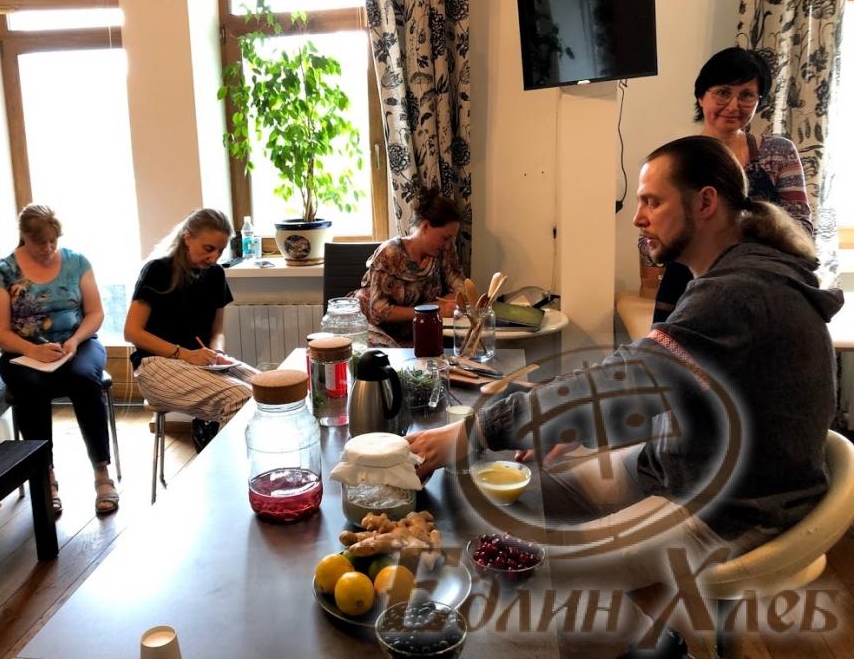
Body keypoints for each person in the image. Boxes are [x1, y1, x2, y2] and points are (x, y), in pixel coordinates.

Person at [409, 136, 842, 657]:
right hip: (682, 469)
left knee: (529, 570)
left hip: (733, 509)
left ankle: (655, 646)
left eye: (653, 201)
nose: (638, 218)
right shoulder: (736, 274)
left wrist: (477, 429)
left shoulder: (740, 292)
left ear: (705, 202)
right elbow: (660, 384)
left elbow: (625, 384)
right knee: (532, 492)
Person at [650, 47, 814, 323]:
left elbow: (802, 231)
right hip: (687, 295)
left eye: (746, 95)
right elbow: (650, 239)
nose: (733, 105)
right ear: (701, 96)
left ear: (759, 101)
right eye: (723, 92)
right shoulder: (676, 160)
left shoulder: (779, 152)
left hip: (764, 293)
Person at [0, 205, 118, 516]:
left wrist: (75, 340)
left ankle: (102, 472)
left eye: (53, 241)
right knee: (30, 387)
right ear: (24, 236)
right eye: (39, 243)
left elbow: (95, 313)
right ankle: (45, 475)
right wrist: (33, 350)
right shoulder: (3, 272)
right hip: (23, 352)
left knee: (84, 378)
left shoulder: (77, 262)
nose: (47, 248)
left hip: (77, 343)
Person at [124, 209, 257, 451]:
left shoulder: (215, 274)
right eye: (208, 248)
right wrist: (186, 354)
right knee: (241, 397)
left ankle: (210, 431)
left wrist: (217, 352)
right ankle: (221, 465)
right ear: (187, 238)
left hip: (200, 362)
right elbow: (132, 332)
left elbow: (217, 332)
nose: (214, 257)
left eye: (220, 251)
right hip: (154, 364)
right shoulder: (158, 270)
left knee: (268, 388)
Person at [353, 186, 466, 347]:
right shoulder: (390, 253)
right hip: (373, 326)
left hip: (416, 328)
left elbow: (460, 288)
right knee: (383, 355)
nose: (448, 244)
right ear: (425, 227)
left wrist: (451, 301)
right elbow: (379, 311)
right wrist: (432, 308)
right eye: (445, 238)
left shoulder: (444, 250)